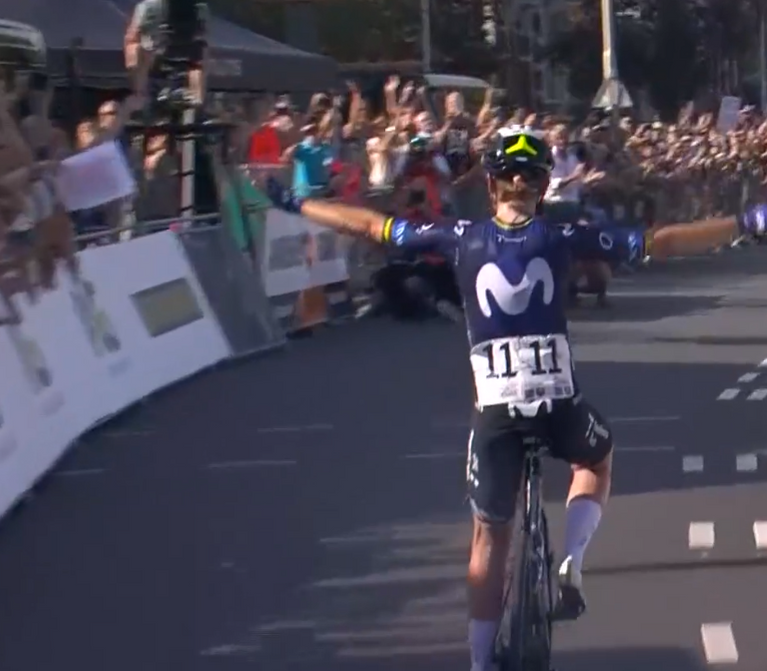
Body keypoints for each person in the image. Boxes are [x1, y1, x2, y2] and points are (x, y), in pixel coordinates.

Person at [263, 126, 616, 671]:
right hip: (557, 402)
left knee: (488, 535)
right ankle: (572, 557)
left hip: (496, 408)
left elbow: (372, 226)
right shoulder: (564, 233)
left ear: (492, 187)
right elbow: (657, 241)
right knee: (593, 457)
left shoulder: (458, 234)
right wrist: (744, 222)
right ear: (541, 189)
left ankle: (479, 662)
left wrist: (300, 202)